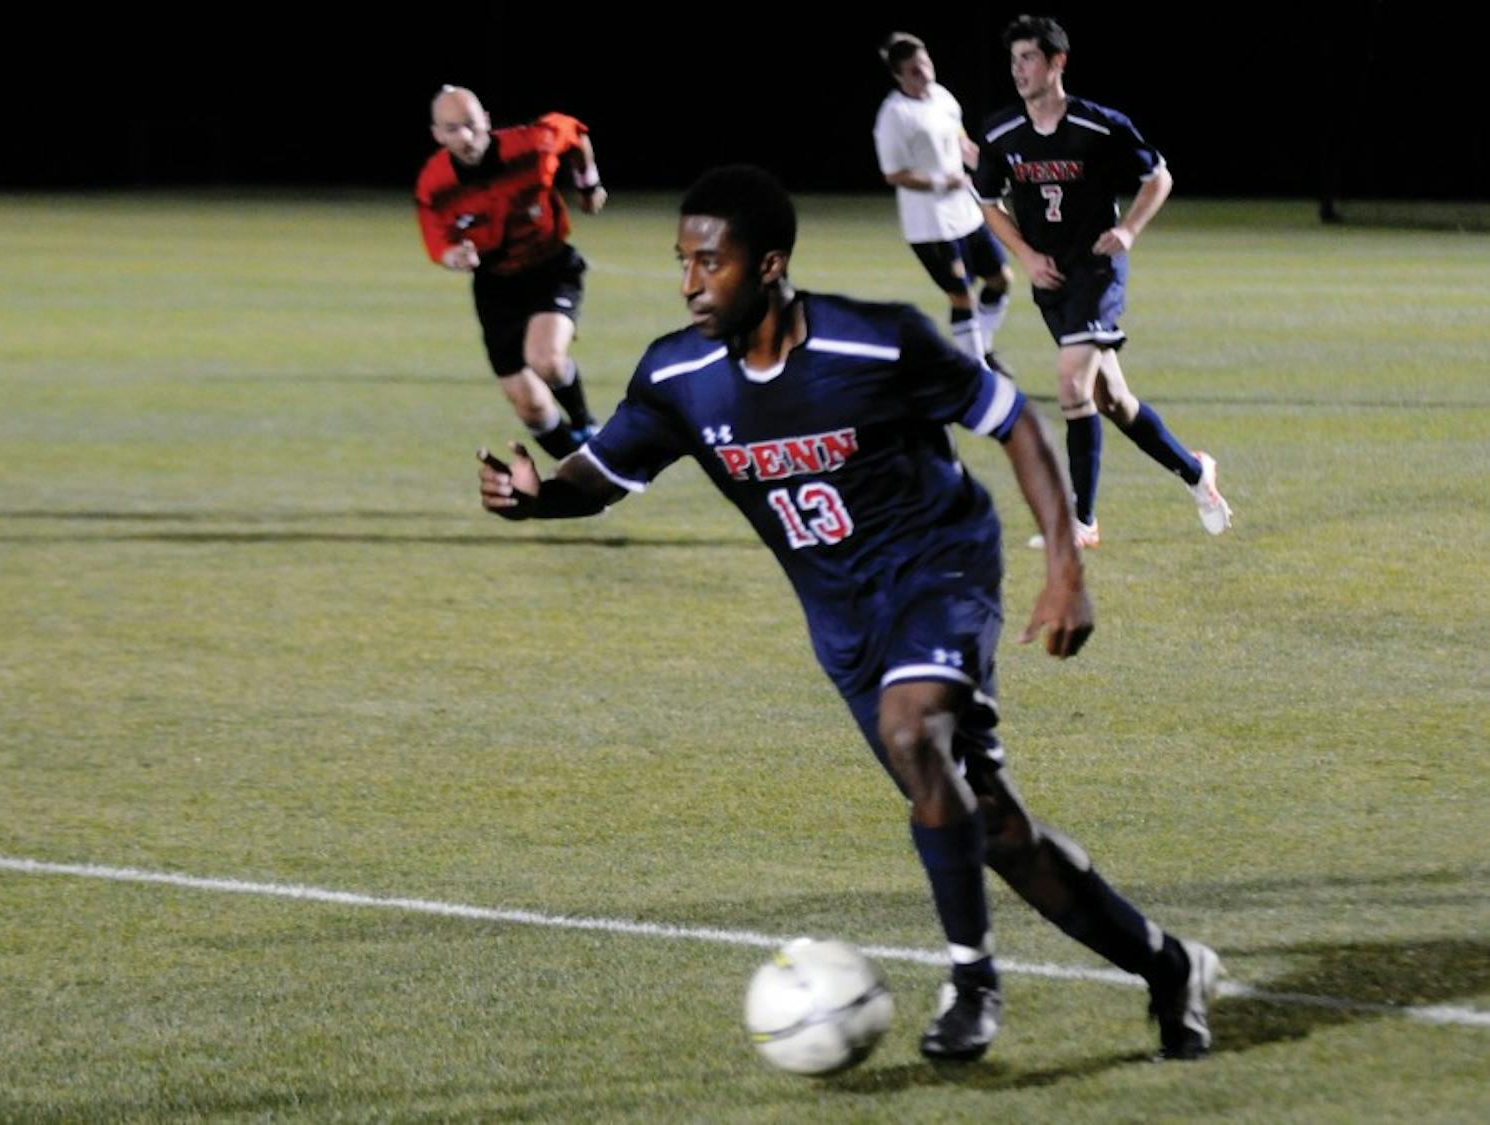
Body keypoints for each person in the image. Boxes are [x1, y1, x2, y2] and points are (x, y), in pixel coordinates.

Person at [476, 165, 1220, 1063]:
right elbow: (599, 479)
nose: (688, 282)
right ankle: (1170, 965)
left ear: (770, 264)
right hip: (842, 620)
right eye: (682, 262)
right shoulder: (679, 374)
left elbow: (1013, 420)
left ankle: (972, 979)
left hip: (940, 569)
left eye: (709, 262)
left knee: (916, 735)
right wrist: (537, 497)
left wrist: (1065, 566)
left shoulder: (875, 343)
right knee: (992, 828)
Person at [974, 16, 1231, 549]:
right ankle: (1195, 472)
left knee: (1070, 382)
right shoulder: (1002, 132)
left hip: (1096, 270)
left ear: (1057, 63)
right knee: (1111, 399)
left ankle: (1081, 522)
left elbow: (1158, 176)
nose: (1018, 69)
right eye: (1014, 60)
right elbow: (986, 202)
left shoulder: (1098, 125)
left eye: (1029, 58)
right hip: (1051, 280)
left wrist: (1129, 230)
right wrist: (1024, 255)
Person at [416, 85, 607, 459]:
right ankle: (581, 475)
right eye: (453, 129)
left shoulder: (532, 147)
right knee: (530, 406)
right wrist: (454, 255)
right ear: (438, 135)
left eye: (471, 124)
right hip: (495, 288)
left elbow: (574, 131)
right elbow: (438, 238)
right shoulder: (436, 183)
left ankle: (585, 422)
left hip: (551, 268)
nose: (466, 137)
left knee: (546, 360)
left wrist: (589, 183)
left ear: (486, 121)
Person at [873, 32, 1015, 373]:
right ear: (898, 76)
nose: (923, 74)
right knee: (961, 295)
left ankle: (980, 349)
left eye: (925, 64)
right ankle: (978, 368)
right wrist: (942, 180)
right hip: (929, 223)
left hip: (965, 210)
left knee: (1001, 278)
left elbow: (960, 139)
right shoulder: (894, 115)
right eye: (914, 70)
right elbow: (893, 174)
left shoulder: (942, 97)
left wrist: (982, 162)